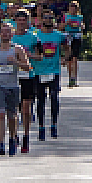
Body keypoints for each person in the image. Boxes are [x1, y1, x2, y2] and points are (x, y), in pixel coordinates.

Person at [0, 22, 30, 156]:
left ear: (12, 34)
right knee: (0, 113)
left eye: (7, 31)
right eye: (3, 31)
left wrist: (16, 62)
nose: (5, 34)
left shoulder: (17, 49)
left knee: (12, 115)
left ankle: (12, 137)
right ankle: (0, 144)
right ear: (0, 33)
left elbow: (28, 67)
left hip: (13, 86)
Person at [11, 9, 40, 154]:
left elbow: (40, 56)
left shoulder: (34, 38)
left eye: (24, 20)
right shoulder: (9, 38)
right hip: (12, 76)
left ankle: (26, 136)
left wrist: (29, 55)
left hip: (28, 75)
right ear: (15, 21)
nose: (21, 23)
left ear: (28, 21)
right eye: (19, 20)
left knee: (26, 108)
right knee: (14, 109)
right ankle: (14, 135)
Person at [34, 10, 65, 141]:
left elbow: (67, 46)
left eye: (50, 18)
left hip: (54, 71)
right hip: (39, 71)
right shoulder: (36, 35)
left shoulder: (58, 35)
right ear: (41, 20)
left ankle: (54, 125)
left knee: (54, 97)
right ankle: (41, 127)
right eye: (45, 18)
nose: (48, 20)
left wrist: (65, 57)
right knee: (40, 100)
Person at [63, 0, 85, 87]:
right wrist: (66, 23)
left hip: (76, 37)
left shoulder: (80, 17)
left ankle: (74, 78)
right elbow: (60, 26)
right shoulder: (66, 16)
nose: (73, 9)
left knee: (74, 58)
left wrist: (81, 25)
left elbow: (83, 26)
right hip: (68, 36)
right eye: (71, 7)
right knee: (69, 58)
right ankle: (70, 77)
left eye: (74, 7)